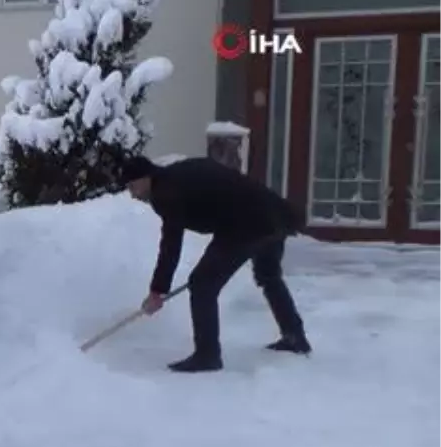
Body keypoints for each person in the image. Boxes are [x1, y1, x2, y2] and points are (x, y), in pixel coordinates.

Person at [119, 155, 311, 373]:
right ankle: (295, 336)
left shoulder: (166, 192)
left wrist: (157, 290)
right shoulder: (177, 176)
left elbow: (171, 244)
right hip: (274, 215)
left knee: (202, 284)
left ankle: (207, 355)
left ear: (147, 177)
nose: (133, 194)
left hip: (245, 223)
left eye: (133, 186)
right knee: (269, 276)